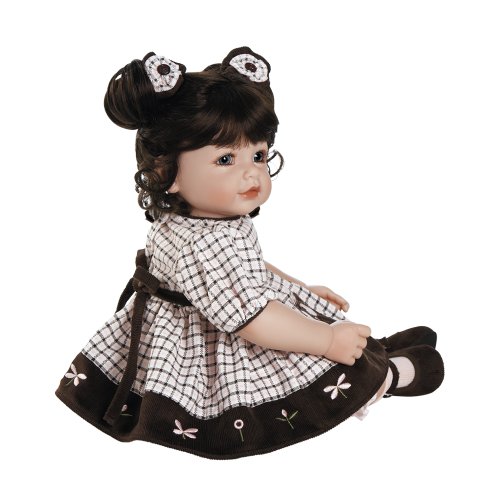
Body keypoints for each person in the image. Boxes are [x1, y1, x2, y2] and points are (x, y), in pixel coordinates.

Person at [55, 46, 444, 460]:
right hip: (219, 340)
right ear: (166, 172)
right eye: (226, 159)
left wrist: (298, 287)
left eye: (258, 155)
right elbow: (254, 321)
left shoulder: (192, 222)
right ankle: (386, 377)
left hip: (228, 311)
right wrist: (327, 339)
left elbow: (247, 267)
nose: (251, 172)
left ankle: (371, 351)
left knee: (308, 321)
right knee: (308, 353)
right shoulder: (204, 244)